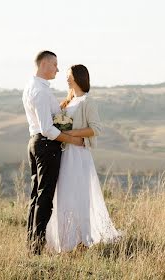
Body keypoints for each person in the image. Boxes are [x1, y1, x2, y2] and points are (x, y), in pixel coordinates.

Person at [45, 64, 121, 252]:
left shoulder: (87, 101)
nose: (67, 78)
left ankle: (81, 238)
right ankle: (66, 239)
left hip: (78, 155)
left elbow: (96, 128)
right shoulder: (67, 102)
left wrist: (71, 133)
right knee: (64, 195)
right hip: (64, 154)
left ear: (79, 77)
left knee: (79, 195)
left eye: (69, 75)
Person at [22, 51, 84, 255]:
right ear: (44, 64)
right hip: (46, 145)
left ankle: (31, 244)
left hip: (36, 143)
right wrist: (73, 139)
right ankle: (36, 247)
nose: (57, 69)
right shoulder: (40, 91)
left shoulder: (33, 87)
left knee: (36, 195)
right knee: (45, 197)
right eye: (55, 65)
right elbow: (47, 128)